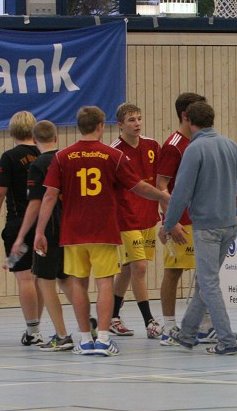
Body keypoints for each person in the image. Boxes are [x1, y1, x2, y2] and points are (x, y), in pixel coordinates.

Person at [33, 106, 169, 357]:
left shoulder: (62, 157)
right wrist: (163, 196)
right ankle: (104, 340)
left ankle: (85, 340)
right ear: (100, 126)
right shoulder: (112, 155)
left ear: (78, 126)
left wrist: (39, 232)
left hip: (73, 232)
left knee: (78, 284)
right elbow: (138, 186)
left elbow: (49, 196)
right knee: (105, 283)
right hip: (103, 230)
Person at [160, 100, 237, 355]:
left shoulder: (194, 149)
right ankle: (188, 332)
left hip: (206, 227)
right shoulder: (230, 145)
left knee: (208, 283)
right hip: (229, 224)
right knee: (205, 283)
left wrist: (168, 224)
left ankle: (226, 339)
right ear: (212, 120)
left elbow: (180, 192)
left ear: (189, 123)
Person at [0, 111, 44, 346]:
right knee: (42, 278)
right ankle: (41, 327)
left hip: (19, 226)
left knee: (24, 277)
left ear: (12, 131)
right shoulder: (44, 154)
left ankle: (33, 330)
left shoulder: (9, 158)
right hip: (46, 225)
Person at [157, 92, 215, 345]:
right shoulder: (173, 145)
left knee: (206, 274)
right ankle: (168, 326)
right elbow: (161, 186)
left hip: (202, 218)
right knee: (174, 272)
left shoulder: (200, 142)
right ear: (185, 115)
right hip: (181, 220)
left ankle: (204, 324)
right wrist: (170, 221)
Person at [11, 120, 72, 351]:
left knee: (45, 281)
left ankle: (62, 335)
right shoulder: (66, 159)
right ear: (56, 138)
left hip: (49, 229)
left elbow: (37, 203)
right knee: (67, 280)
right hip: (70, 229)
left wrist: (22, 236)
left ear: (35, 140)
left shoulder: (38, 164)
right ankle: (88, 327)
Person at [110, 102, 165, 340]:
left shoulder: (153, 146)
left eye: (139, 119)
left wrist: (166, 215)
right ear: (120, 125)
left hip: (148, 216)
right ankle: (149, 321)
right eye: (132, 120)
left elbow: (162, 184)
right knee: (139, 268)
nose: (137, 124)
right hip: (125, 218)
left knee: (127, 268)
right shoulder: (115, 152)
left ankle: (113, 317)